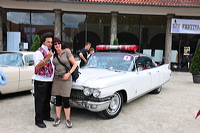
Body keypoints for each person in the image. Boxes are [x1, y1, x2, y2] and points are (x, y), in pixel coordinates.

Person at [51, 37, 77, 128]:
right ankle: (58, 118)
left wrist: (68, 73)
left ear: (61, 44)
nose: (57, 45)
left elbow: (75, 64)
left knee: (66, 100)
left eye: (58, 43)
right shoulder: (53, 54)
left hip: (66, 78)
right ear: (53, 46)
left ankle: (68, 119)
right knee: (58, 99)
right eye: (55, 44)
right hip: (57, 79)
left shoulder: (67, 52)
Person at [33, 33, 54, 128]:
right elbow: (37, 66)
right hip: (41, 80)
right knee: (40, 101)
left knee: (47, 99)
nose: (50, 44)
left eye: (51, 42)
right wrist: (47, 58)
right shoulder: (39, 52)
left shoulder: (50, 51)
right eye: (48, 42)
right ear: (43, 42)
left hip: (49, 79)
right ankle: (38, 120)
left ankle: (46, 116)